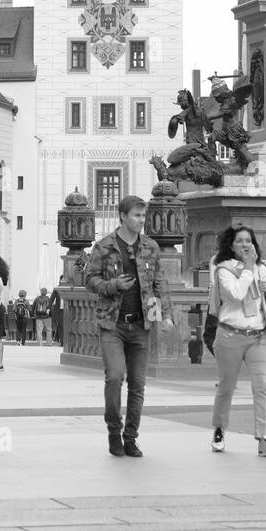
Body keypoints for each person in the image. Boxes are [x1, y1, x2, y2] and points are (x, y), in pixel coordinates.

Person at [85, 194, 174, 458]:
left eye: (143, 216)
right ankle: (114, 431)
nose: (141, 220)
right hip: (112, 324)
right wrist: (113, 286)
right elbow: (89, 279)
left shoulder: (150, 247)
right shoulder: (104, 246)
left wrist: (166, 314)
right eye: (136, 215)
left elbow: (160, 281)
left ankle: (131, 437)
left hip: (141, 324)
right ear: (122, 216)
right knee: (114, 376)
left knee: (138, 384)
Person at [208, 226, 266, 457]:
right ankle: (219, 428)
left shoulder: (261, 269)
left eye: (248, 241)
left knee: (263, 386)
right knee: (227, 386)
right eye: (239, 241)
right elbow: (236, 294)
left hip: (258, 335)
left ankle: (265, 438)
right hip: (230, 334)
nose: (245, 245)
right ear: (231, 245)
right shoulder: (223, 270)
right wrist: (249, 269)